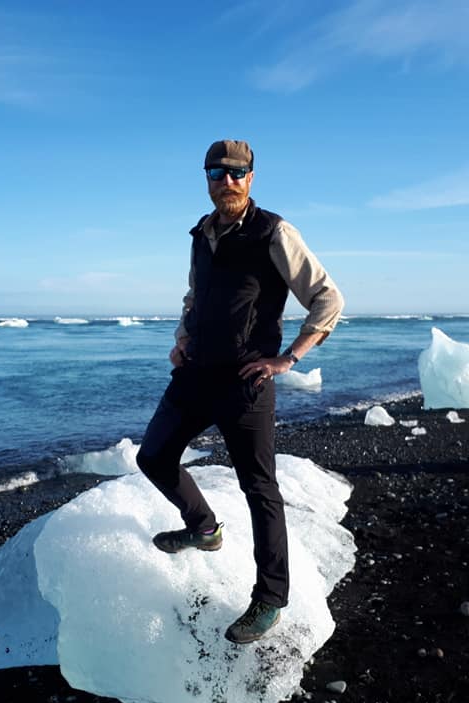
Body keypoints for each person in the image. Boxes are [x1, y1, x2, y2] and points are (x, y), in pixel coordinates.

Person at [136, 139, 344, 644]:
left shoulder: (274, 231)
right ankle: (203, 527)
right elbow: (194, 294)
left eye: (236, 173)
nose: (226, 181)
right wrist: (182, 338)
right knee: (154, 456)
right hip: (195, 374)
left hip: (246, 381)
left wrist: (288, 358)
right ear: (206, 178)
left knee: (259, 489)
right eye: (216, 172)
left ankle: (270, 599)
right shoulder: (201, 233)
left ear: (251, 177)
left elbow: (327, 298)